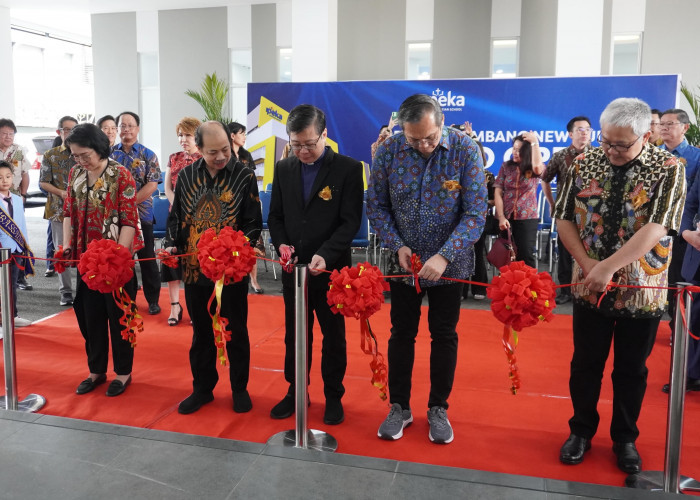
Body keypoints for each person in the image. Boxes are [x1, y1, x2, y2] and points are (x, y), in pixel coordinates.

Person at [555, 98, 685, 474]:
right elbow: (564, 218)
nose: (610, 150)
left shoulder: (668, 168)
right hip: (588, 286)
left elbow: (657, 226)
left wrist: (608, 267)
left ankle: (624, 438)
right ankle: (580, 431)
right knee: (585, 364)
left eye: (621, 145)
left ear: (646, 135)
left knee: (632, 369)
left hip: (642, 289)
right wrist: (588, 267)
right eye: (606, 141)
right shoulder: (584, 162)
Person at [367, 94, 487, 444]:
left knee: (444, 335)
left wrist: (444, 255)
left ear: (441, 122)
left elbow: (476, 213)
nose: (422, 145)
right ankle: (399, 407)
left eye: (429, 138)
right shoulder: (389, 151)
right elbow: (377, 206)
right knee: (401, 333)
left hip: (450, 264)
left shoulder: (465, 150)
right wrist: (397, 245)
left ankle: (438, 408)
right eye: (414, 138)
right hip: (403, 263)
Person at [267, 104, 364, 425]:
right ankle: (296, 390)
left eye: (310, 144)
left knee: (333, 334)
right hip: (293, 268)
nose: (303, 151)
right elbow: (276, 217)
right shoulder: (283, 169)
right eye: (296, 145)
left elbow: (350, 223)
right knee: (295, 334)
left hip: (332, 269)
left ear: (325, 134)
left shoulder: (348, 169)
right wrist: (281, 243)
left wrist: (327, 252)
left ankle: (334, 394)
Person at [165, 121, 261, 415]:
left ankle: (239, 388)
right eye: (212, 152)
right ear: (200, 149)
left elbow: (253, 222)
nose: (221, 157)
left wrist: (242, 249)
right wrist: (171, 244)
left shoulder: (244, 175)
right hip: (195, 270)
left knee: (236, 332)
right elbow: (177, 218)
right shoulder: (187, 176)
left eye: (224, 150)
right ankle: (202, 389)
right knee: (202, 334)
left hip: (231, 273)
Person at [63, 123, 143, 397]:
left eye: (85, 154)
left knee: (119, 316)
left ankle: (123, 372)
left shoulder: (121, 175)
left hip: (115, 263)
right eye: (75, 155)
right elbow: (67, 212)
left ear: (99, 148)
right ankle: (96, 370)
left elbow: (129, 220)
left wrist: (118, 259)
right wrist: (66, 245)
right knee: (90, 316)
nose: (80, 160)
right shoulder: (75, 173)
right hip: (87, 263)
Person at [110, 111, 162, 315]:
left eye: (130, 125)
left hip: (143, 215)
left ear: (138, 128)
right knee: (124, 258)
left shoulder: (148, 154)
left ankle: (153, 300)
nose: (126, 130)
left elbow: (152, 185)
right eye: (122, 126)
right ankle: (128, 299)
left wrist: (131, 203)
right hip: (118, 217)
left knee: (147, 258)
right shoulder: (109, 154)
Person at [541, 116, 592, 304]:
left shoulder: (598, 155)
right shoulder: (560, 156)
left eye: (587, 129)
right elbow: (545, 179)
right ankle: (565, 289)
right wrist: (551, 203)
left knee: (589, 249)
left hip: (590, 211)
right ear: (570, 133)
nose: (585, 132)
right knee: (564, 250)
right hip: (566, 212)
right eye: (580, 129)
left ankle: (586, 287)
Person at [660, 108, 700, 338]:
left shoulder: (696, 156)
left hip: (683, 230)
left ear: (685, 127)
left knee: (680, 279)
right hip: (655, 229)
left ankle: (680, 329)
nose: (664, 128)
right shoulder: (651, 154)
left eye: (670, 124)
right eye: (662, 124)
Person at [163, 117, 202, 326]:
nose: (183, 139)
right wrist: (178, 208)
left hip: (198, 219)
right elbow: (168, 187)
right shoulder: (173, 157)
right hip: (174, 217)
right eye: (180, 135)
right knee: (171, 259)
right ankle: (174, 306)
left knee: (194, 263)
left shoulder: (205, 158)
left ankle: (197, 306)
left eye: (187, 135)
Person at [40, 115, 78, 306]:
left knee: (83, 249)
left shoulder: (84, 153)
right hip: (58, 210)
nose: (70, 133)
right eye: (67, 129)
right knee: (61, 251)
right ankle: (65, 292)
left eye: (74, 129)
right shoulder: (51, 155)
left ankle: (85, 289)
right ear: (59, 132)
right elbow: (43, 182)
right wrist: (60, 192)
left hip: (83, 211)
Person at [493, 133, 545, 268]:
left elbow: (539, 169)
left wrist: (535, 143)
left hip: (527, 218)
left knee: (526, 255)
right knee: (507, 257)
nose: (515, 153)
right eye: (514, 149)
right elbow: (498, 192)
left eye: (519, 150)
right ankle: (507, 288)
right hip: (506, 218)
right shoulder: (506, 166)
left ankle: (530, 288)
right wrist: (501, 217)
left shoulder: (533, 168)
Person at [227, 121, 265, 294]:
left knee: (250, 243)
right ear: (232, 135)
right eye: (242, 133)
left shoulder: (246, 155)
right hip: (229, 206)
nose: (244, 137)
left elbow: (253, 181)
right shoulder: (225, 155)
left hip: (247, 204)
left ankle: (254, 280)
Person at [0, 160, 33, 337]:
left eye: (8, 176)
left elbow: (22, 225)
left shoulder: (18, 200)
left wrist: (25, 247)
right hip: (1, 250)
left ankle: (12, 315)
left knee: (11, 284)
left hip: (16, 249)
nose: (4, 181)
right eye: (0, 178)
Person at [0, 118, 33, 291]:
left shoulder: (18, 150)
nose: (8, 137)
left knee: (18, 235)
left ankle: (20, 276)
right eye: (4, 133)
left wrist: (24, 194)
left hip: (14, 199)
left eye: (11, 134)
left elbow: (25, 173)